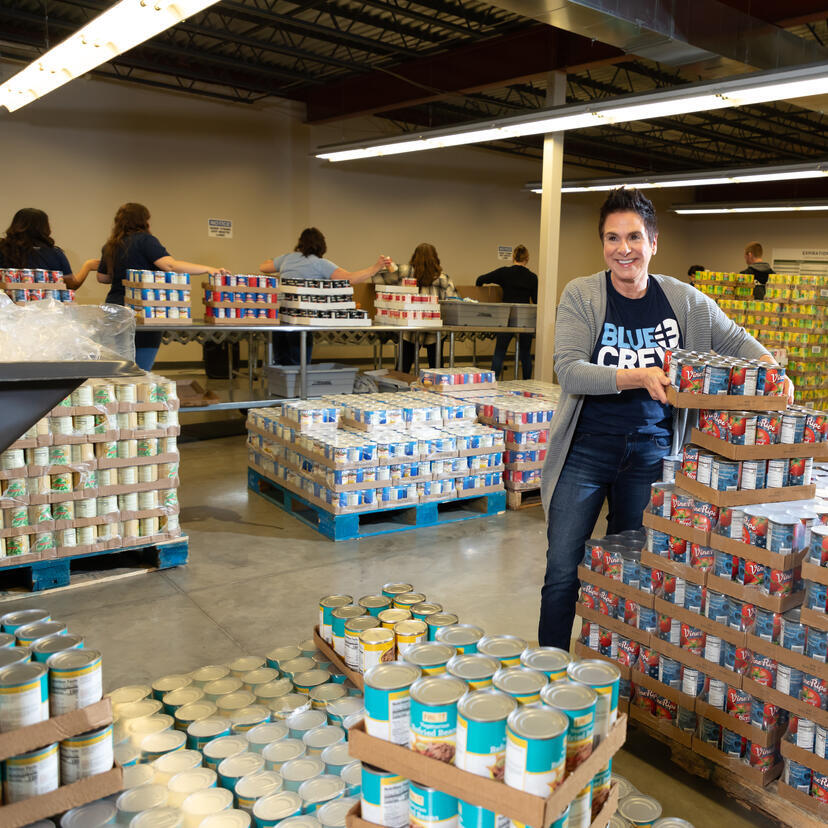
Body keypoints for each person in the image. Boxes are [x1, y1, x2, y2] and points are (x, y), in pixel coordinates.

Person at [538, 188, 791, 651]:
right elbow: (569, 371)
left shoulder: (684, 301)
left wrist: (773, 369)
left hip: (652, 454)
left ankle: (607, 665)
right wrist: (638, 375)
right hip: (586, 451)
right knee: (562, 570)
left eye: (634, 236)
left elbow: (735, 339)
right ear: (603, 245)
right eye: (612, 238)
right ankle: (549, 672)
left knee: (628, 570)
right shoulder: (582, 295)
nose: (623, 248)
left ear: (654, 242)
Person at [97, 203, 225, 371]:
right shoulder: (145, 240)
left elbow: (103, 277)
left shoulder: (110, 246)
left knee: (120, 367)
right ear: (144, 221)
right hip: (141, 312)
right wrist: (209, 269)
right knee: (139, 370)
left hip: (114, 310)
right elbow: (169, 266)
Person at [260, 227, 390, 365]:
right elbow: (350, 279)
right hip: (302, 321)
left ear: (300, 243)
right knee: (299, 367)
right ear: (321, 246)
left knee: (280, 365)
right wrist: (375, 268)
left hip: (280, 318)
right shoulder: (320, 264)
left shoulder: (286, 258)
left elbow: (263, 267)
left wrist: (281, 264)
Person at [374, 243, 457, 373]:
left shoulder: (404, 272)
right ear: (435, 258)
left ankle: (398, 388)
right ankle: (437, 389)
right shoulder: (444, 278)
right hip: (435, 329)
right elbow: (453, 300)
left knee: (403, 366)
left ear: (414, 257)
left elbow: (377, 278)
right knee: (437, 367)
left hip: (410, 327)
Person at [475, 245, 538, 379]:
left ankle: (494, 380)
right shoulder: (532, 277)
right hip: (525, 318)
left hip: (506, 317)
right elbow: (536, 300)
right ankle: (528, 383)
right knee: (525, 354)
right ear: (527, 259)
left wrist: (484, 292)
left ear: (513, 257)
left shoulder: (504, 273)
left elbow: (480, 279)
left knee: (500, 352)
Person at [0, 208, 98, 290]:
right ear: (44, 227)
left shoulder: (3, 247)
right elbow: (70, 285)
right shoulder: (54, 253)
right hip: (42, 308)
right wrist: (87, 266)